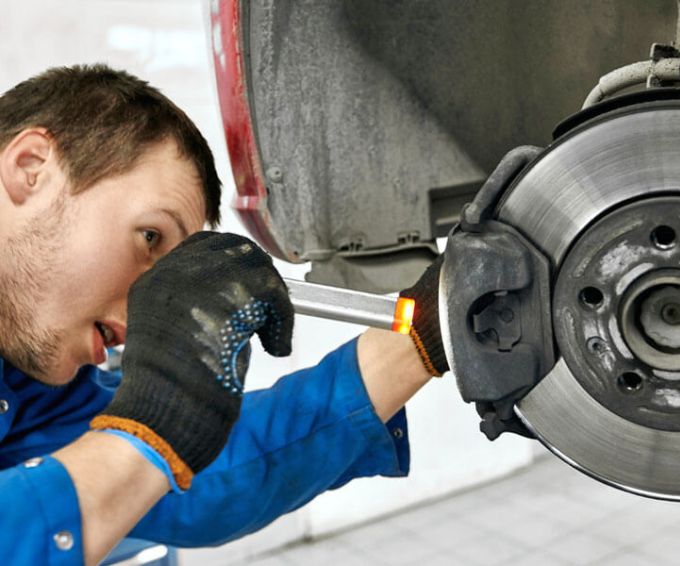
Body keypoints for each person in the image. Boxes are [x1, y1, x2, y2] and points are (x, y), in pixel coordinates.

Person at [0, 64, 448, 566]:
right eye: (150, 236)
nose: (150, 303)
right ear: (31, 168)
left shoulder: (32, 386)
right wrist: (146, 433)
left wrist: (424, 338)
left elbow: (195, 480)